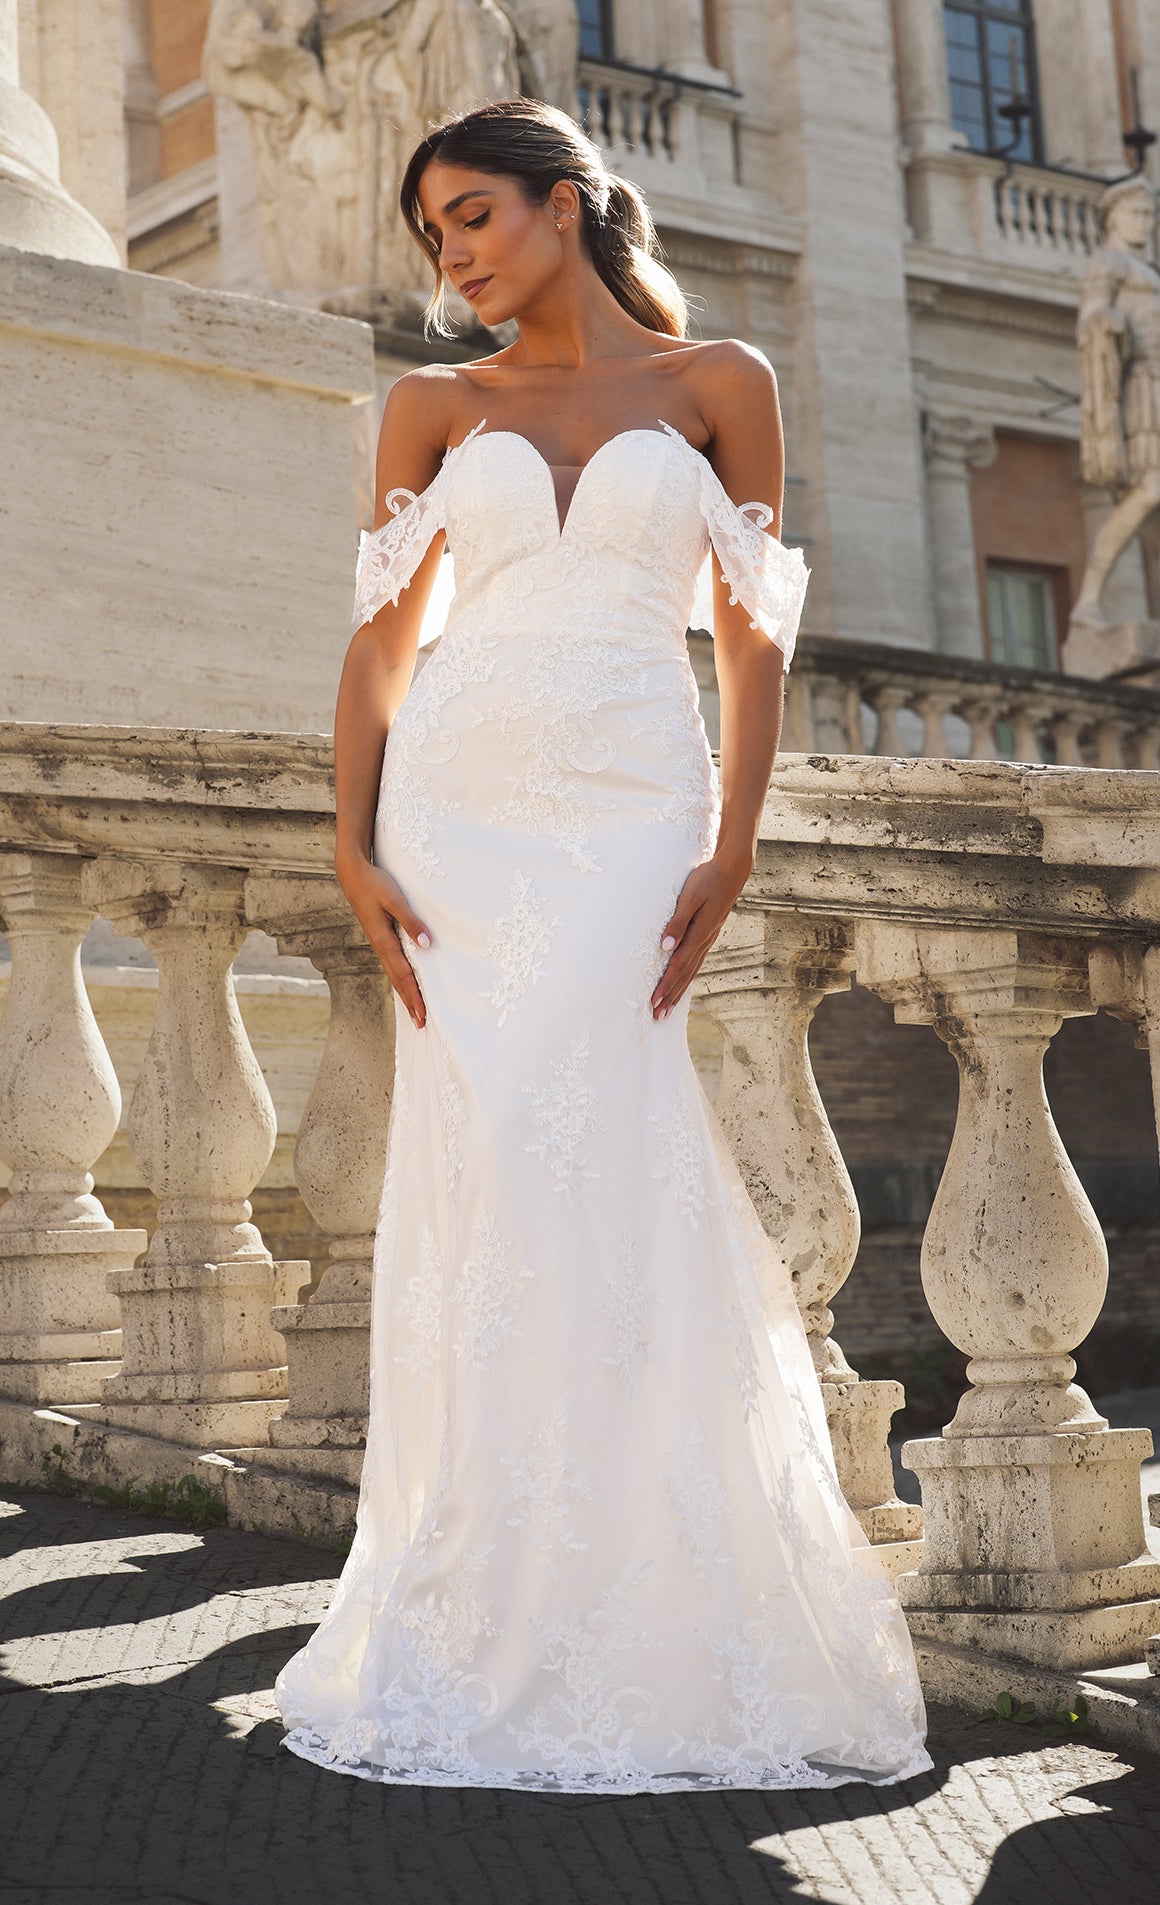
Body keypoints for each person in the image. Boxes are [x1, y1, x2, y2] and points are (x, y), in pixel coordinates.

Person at [274, 96, 933, 1793]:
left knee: (612, 1155)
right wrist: (353, 842)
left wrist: (734, 841)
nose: (454, 257)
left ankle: (660, 1598)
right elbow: (379, 649)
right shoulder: (432, 406)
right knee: (494, 1168)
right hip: (461, 814)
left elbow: (753, 640)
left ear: (563, 205)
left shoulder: (723, 385)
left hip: (638, 804)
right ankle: (485, 1588)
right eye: (434, 233)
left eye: (473, 214)